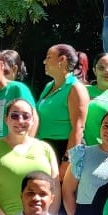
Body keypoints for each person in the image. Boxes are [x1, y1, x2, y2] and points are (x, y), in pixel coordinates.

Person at [0, 99, 59, 215]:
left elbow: (55, 190)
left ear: (32, 120)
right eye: (14, 116)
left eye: (26, 116)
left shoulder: (46, 148)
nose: (20, 121)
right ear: (6, 119)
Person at [37, 43, 91, 174]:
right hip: (45, 149)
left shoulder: (75, 88)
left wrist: (67, 161)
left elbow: (78, 128)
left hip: (62, 149)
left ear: (62, 60)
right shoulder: (49, 86)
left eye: (49, 57)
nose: (44, 61)